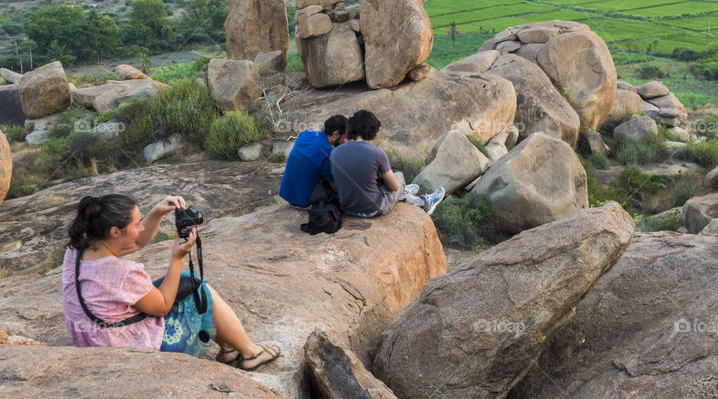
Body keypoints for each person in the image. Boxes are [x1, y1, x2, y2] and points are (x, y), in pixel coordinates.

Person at [62, 193, 280, 371]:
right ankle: (251, 353)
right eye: (137, 223)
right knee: (200, 291)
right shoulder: (122, 273)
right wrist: (177, 257)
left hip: (96, 339)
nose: (142, 228)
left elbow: (136, 242)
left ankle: (228, 347)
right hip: (132, 356)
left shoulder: (79, 247)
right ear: (115, 232)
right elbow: (163, 305)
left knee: (187, 280)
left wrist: (157, 212)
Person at [330, 110, 445, 218]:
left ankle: (404, 193)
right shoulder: (376, 153)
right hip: (372, 210)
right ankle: (424, 201)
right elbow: (394, 186)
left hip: (348, 210)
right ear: (372, 131)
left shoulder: (334, 153)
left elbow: (336, 186)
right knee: (398, 176)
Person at [279, 115, 348, 209]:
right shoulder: (327, 152)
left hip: (288, 196)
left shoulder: (305, 133)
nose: (346, 142)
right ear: (335, 134)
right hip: (305, 202)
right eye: (345, 138)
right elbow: (335, 187)